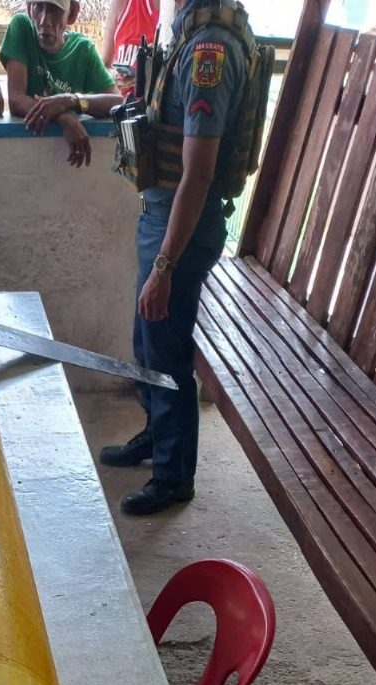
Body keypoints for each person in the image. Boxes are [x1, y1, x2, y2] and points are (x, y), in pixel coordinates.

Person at [100, 0, 246, 514]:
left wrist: (164, 266)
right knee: (147, 339)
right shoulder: (185, 29)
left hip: (183, 228)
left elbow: (199, 173)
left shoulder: (210, 50)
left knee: (166, 352)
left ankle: (172, 477)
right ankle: (154, 436)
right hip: (161, 214)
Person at [1, 1, 121, 167]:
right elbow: (16, 99)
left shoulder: (83, 49)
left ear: (72, 13)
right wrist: (62, 117)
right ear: (29, 8)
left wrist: (72, 100)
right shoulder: (21, 27)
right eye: (38, 7)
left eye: (54, 10)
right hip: (24, 161)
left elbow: (117, 101)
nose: (44, 20)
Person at [100, 0, 159, 94]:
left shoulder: (178, 9)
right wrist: (116, 76)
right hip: (122, 101)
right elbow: (103, 67)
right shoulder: (121, 4)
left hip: (157, 103)